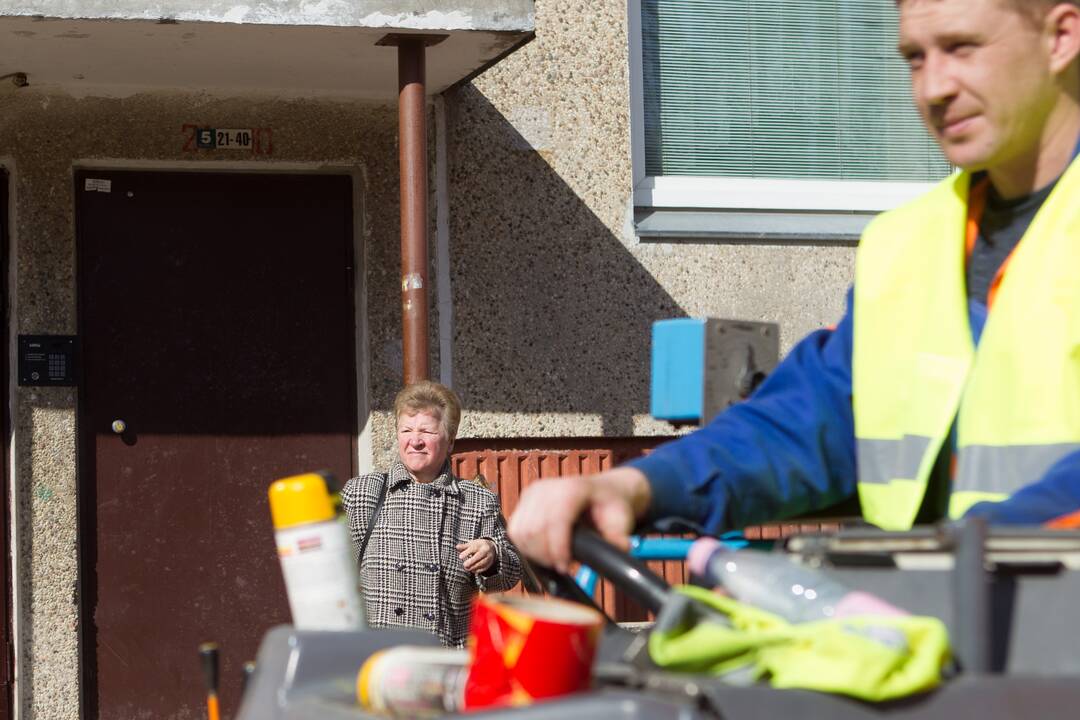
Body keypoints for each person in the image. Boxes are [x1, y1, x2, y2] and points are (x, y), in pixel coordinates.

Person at [509, 0, 1080, 572]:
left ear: (1061, 36)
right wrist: (637, 486)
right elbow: (813, 416)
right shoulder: (909, 242)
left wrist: (948, 566)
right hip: (960, 633)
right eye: (913, 58)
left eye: (962, 48)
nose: (933, 88)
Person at [342, 381, 521, 647]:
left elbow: (510, 575)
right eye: (406, 430)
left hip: (445, 661)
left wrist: (493, 554)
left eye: (426, 431)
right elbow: (334, 579)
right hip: (376, 662)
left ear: (449, 441)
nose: (415, 441)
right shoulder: (361, 493)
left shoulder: (476, 501)